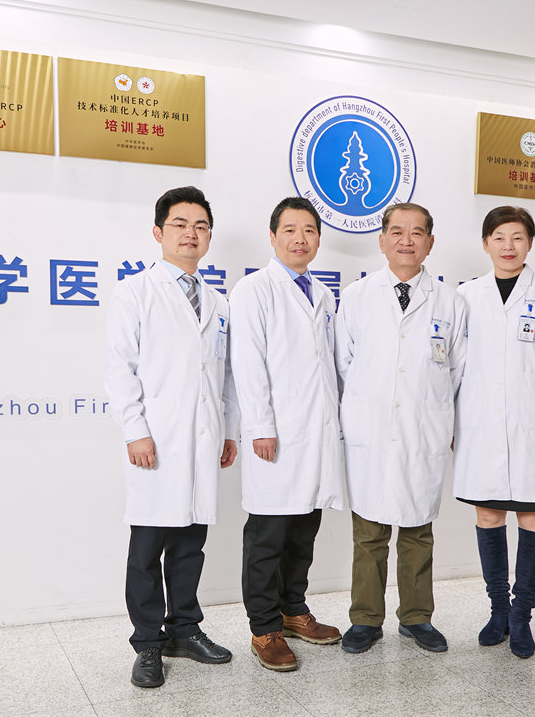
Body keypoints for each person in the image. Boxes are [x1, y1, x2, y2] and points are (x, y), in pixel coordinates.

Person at [103, 185, 239, 689]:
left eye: (201, 226)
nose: (191, 233)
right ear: (158, 232)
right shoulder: (135, 292)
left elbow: (226, 375)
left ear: (209, 237)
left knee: (190, 545)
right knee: (147, 549)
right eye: (180, 224)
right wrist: (135, 431)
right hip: (155, 443)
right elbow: (120, 369)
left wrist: (229, 430)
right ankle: (148, 643)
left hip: (204, 441)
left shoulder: (219, 302)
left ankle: (184, 630)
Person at [335, 202, 466, 655]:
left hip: (422, 429)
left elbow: (457, 370)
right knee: (369, 533)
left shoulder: (449, 301)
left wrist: (444, 421)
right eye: (397, 232)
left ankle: (416, 617)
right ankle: (365, 620)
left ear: (431, 242)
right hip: (370, 431)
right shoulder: (357, 296)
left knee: (417, 531)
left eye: (416, 233)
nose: (406, 241)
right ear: (382, 240)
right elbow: (344, 363)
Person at [453, 206, 535, 659]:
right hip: (480, 425)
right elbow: (454, 365)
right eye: (499, 237)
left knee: (534, 518)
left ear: (530, 243)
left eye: (518, 237)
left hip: (534, 427)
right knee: (488, 516)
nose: (508, 246)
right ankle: (498, 612)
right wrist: (450, 423)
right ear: (485, 243)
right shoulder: (466, 295)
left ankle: (522, 614)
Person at [229, 197, 346, 672]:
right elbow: (248, 363)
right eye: (291, 230)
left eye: (310, 230)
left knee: (303, 532)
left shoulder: (323, 294)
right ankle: (264, 628)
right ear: (273, 237)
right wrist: (260, 425)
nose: (301, 239)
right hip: (275, 434)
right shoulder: (253, 290)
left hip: (316, 433)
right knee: (268, 537)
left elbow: (328, 367)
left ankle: (293, 610)